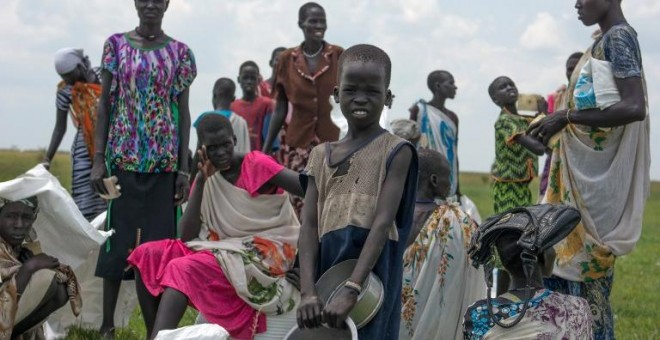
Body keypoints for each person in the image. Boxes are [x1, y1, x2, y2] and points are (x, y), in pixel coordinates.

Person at [528, 0, 650, 337]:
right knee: (566, 291)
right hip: (578, 181)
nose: (577, 4)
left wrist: (564, 116)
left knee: (585, 295)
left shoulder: (619, 38)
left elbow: (633, 106)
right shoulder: (603, 40)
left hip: (593, 192)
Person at [127, 114, 303, 339]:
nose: (220, 153)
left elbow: (308, 188)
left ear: (235, 141)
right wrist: (200, 180)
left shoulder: (255, 163)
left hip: (268, 248)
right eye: (213, 148)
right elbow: (186, 235)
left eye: (226, 145)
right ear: (201, 148)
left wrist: (305, 250)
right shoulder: (206, 174)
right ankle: (157, 335)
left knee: (182, 267)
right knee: (146, 255)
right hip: (224, 244)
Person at [89, 0, 197, 336]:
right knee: (116, 241)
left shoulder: (180, 52)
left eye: (157, 0)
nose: (150, 5)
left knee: (161, 247)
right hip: (122, 159)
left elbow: (183, 112)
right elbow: (105, 105)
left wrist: (183, 169)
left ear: (166, 4)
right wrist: (98, 158)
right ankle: (107, 325)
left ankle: (157, 330)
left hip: (164, 164)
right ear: (136, 3)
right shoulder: (115, 46)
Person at [296, 44, 418, 338]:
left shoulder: (396, 151)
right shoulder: (320, 156)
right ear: (336, 94)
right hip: (328, 271)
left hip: (373, 274)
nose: (360, 98)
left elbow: (382, 221)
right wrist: (308, 291)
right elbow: (309, 225)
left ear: (387, 97)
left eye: (372, 91)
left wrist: (353, 287)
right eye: (350, 90)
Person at [262, 2, 344, 216]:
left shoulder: (338, 56)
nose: (319, 26)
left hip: (333, 143)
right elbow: (280, 107)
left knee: (332, 203)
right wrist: (266, 148)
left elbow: (348, 98)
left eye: (322, 22)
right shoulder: (287, 59)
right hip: (298, 145)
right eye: (313, 21)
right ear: (301, 24)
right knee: (300, 204)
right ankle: (303, 248)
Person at [463, 215, 593, 339]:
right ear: (544, 256)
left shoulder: (479, 315)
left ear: (503, 263)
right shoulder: (577, 309)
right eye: (551, 246)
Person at [399, 149, 483, 340]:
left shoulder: (390, 213)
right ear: (434, 180)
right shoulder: (454, 220)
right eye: (448, 177)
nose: (451, 184)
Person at [0, 196, 81, 339]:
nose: (19, 224)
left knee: (59, 287)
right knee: (44, 278)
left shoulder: (19, 250)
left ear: (33, 220)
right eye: (11, 216)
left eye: (26, 217)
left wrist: (28, 264)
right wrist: (29, 267)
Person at [43, 48, 106, 221]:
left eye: (69, 74)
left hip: (112, 141)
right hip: (84, 148)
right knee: (85, 197)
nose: (67, 80)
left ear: (80, 65)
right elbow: (59, 127)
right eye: (63, 76)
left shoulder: (104, 75)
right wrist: (47, 159)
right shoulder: (65, 91)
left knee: (112, 190)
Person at [489, 76, 545, 215]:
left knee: (522, 226)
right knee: (511, 228)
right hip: (508, 187)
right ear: (496, 100)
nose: (509, 87)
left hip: (522, 185)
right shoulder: (505, 121)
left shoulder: (522, 120)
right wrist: (544, 116)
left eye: (511, 84)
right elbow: (538, 148)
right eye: (502, 87)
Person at [409, 70, 462, 198]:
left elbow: (455, 151)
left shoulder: (453, 117)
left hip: (447, 174)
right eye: (451, 83)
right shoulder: (420, 110)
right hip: (425, 172)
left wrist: (458, 188)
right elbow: (410, 142)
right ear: (438, 86)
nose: (455, 87)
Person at [539, 52, 583, 197]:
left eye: (578, 67)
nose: (574, 72)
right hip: (555, 157)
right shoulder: (558, 97)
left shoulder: (588, 96)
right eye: (570, 69)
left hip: (580, 161)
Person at [231, 61, 274, 152]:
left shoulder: (267, 104)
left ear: (258, 80)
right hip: (237, 158)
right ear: (239, 79)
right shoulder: (232, 107)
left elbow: (270, 138)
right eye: (245, 78)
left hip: (259, 157)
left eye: (252, 78)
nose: (249, 81)